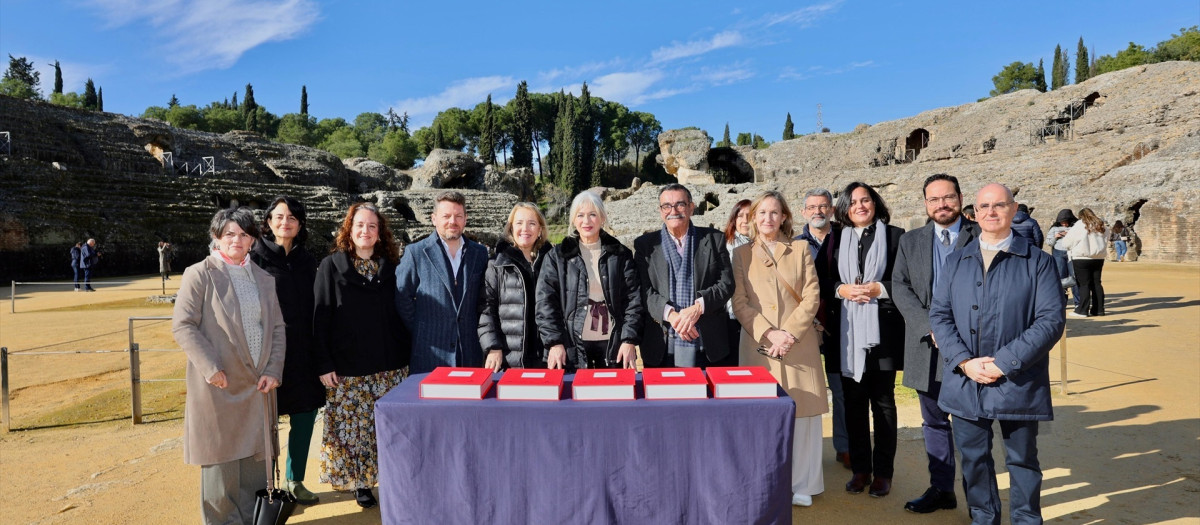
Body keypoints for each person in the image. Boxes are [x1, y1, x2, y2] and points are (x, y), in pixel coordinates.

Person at [930, 183, 1065, 525]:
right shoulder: (956, 261)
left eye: (999, 205)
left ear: (1014, 209)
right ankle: (983, 517)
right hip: (966, 379)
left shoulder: (1039, 262)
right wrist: (964, 361)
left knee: (1022, 461)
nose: (991, 212)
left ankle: (1026, 520)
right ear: (973, 213)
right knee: (974, 459)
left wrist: (1004, 363)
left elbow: (1050, 320)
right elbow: (940, 316)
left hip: (1018, 379)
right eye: (984, 206)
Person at [172, 207, 286, 525]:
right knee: (220, 476)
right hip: (219, 385)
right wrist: (211, 368)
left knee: (253, 471)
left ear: (253, 240)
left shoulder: (263, 278)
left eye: (244, 234)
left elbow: (277, 328)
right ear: (217, 237)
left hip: (257, 385)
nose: (237, 239)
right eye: (230, 234)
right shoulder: (200, 273)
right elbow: (183, 325)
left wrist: (274, 370)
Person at [731, 190, 827, 507]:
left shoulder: (800, 249)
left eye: (774, 213)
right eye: (762, 213)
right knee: (761, 417)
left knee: (804, 414)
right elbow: (740, 302)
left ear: (784, 216)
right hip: (759, 347)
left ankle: (803, 483)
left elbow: (812, 296)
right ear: (753, 218)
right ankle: (763, 480)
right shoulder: (741, 255)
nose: (768, 218)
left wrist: (788, 333)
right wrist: (769, 333)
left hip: (798, 346)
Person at [313, 202, 411, 509]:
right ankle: (361, 484)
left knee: (389, 431)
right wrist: (324, 363)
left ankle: (393, 480)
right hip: (349, 369)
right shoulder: (332, 267)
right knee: (356, 435)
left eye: (372, 226)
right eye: (359, 225)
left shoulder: (393, 265)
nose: (365, 231)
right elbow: (319, 319)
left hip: (390, 368)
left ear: (380, 231)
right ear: (349, 229)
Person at [892, 174, 979, 514]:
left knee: (972, 425)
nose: (942, 204)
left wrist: (957, 332)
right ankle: (942, 488)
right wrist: (929, 327)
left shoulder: (979, 236)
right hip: (926, 347)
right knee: (933, 423)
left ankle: (979, 500)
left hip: (970, 345)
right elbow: (900, 287)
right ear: (925, 203)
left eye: (948, 197)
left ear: (960, 198)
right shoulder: (911, 241)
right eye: (934, 199)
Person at [832, 181, 905, 498]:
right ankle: (861, 469)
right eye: (853, 202)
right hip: (848, 333)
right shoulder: (835, 238)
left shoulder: (895, 236)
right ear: (845, 208)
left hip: (883, 332)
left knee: (884, 403)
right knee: (854, 405)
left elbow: (905, 280)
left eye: (866, 200)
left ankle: (883, 473)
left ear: (875, 203)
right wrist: (841, 289)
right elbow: (824, 280)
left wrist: (880, 289)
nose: (860, 206)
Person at [249, 196, 323, 505]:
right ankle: (260, 484)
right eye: (279, 216)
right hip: (267, 352)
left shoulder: (308, 260)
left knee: (305, 415)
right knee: (262, 421)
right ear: (267, 222)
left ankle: (295, 479)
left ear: (300, 224)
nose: (285, 222)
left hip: (303, 351)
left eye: (292, 217)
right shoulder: (254, 258)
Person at [536, 191, 642, 369]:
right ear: (573, 220)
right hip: (571, 345)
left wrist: (629, 339)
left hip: (613, 344)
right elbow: (545, 303)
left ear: (602, 218)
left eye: (593, 214)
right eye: (580, 215)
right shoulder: (557, 257)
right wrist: (554, 342)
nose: (586, 221)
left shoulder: (620, 254)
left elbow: (634, 300)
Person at [635, 184, 734, 368]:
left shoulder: (714, 239)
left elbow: (726, 283)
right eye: (667, 206)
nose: (673, 211)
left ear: (691, 207)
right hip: (662, 343)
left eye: (680, 204)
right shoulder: (646, 245)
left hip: (708, 342)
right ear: (660, 210)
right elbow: (643, 290)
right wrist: (672, 316)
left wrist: (698, 308)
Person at [395, 190, 489, 374]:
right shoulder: (416, 253)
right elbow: (402, 296)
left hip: (470, 353)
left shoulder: (480, 253)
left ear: (465, 219)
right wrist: (423, 329)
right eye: (446, 216)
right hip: (430, 354)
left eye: (458, 216)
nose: (452, 221)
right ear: (434, 218)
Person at [794, 188, 850, 471]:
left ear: (832, 210)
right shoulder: (793, 245)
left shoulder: (847, 238)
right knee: (804, 389)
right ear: (803, 212)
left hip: (841, 326)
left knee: (841, 389)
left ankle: (845, 447)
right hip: (806, 329)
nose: (818, 211)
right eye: (812, 207)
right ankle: (802, 452)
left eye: (823, 206)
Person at [478, 203, 553, 371]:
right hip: (509, 360)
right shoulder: (496, 265)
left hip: (548, 359)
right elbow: (486, 310)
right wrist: (493, 347)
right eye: (519, 223)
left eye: (532, 223)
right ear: (511, 228)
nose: (525, 228)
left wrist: (557, 344)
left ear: (540, 230)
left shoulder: (553, 264)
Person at [1061, 208, 1109, 319]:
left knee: (1083, 284)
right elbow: (1106, 239)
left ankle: (1082, 310)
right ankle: (1099, 309)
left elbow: (1067, 242)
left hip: (1081, 257)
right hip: (1098, 258)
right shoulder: (1102, 225)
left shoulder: (1080, 225)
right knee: (1096, 283)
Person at [722, 199, 753, 364]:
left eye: (749, 215)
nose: (745, 220)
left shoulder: (762, 245)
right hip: (733, 314)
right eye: (740, 216)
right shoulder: (727, 246)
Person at [1046, 209, 1080, 307]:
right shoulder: (1054, 229)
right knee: (1061, 278)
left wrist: (1069, 235)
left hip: (1072, 253)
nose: (1064, 224)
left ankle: (1078, 302)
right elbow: (1049, 243)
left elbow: (1080, 240)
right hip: (1058, 254)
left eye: (1066, 222)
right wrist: (1056, 237)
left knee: (1074, 278)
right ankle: (1061, 302)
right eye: (1062, 222)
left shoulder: (1075, 228)